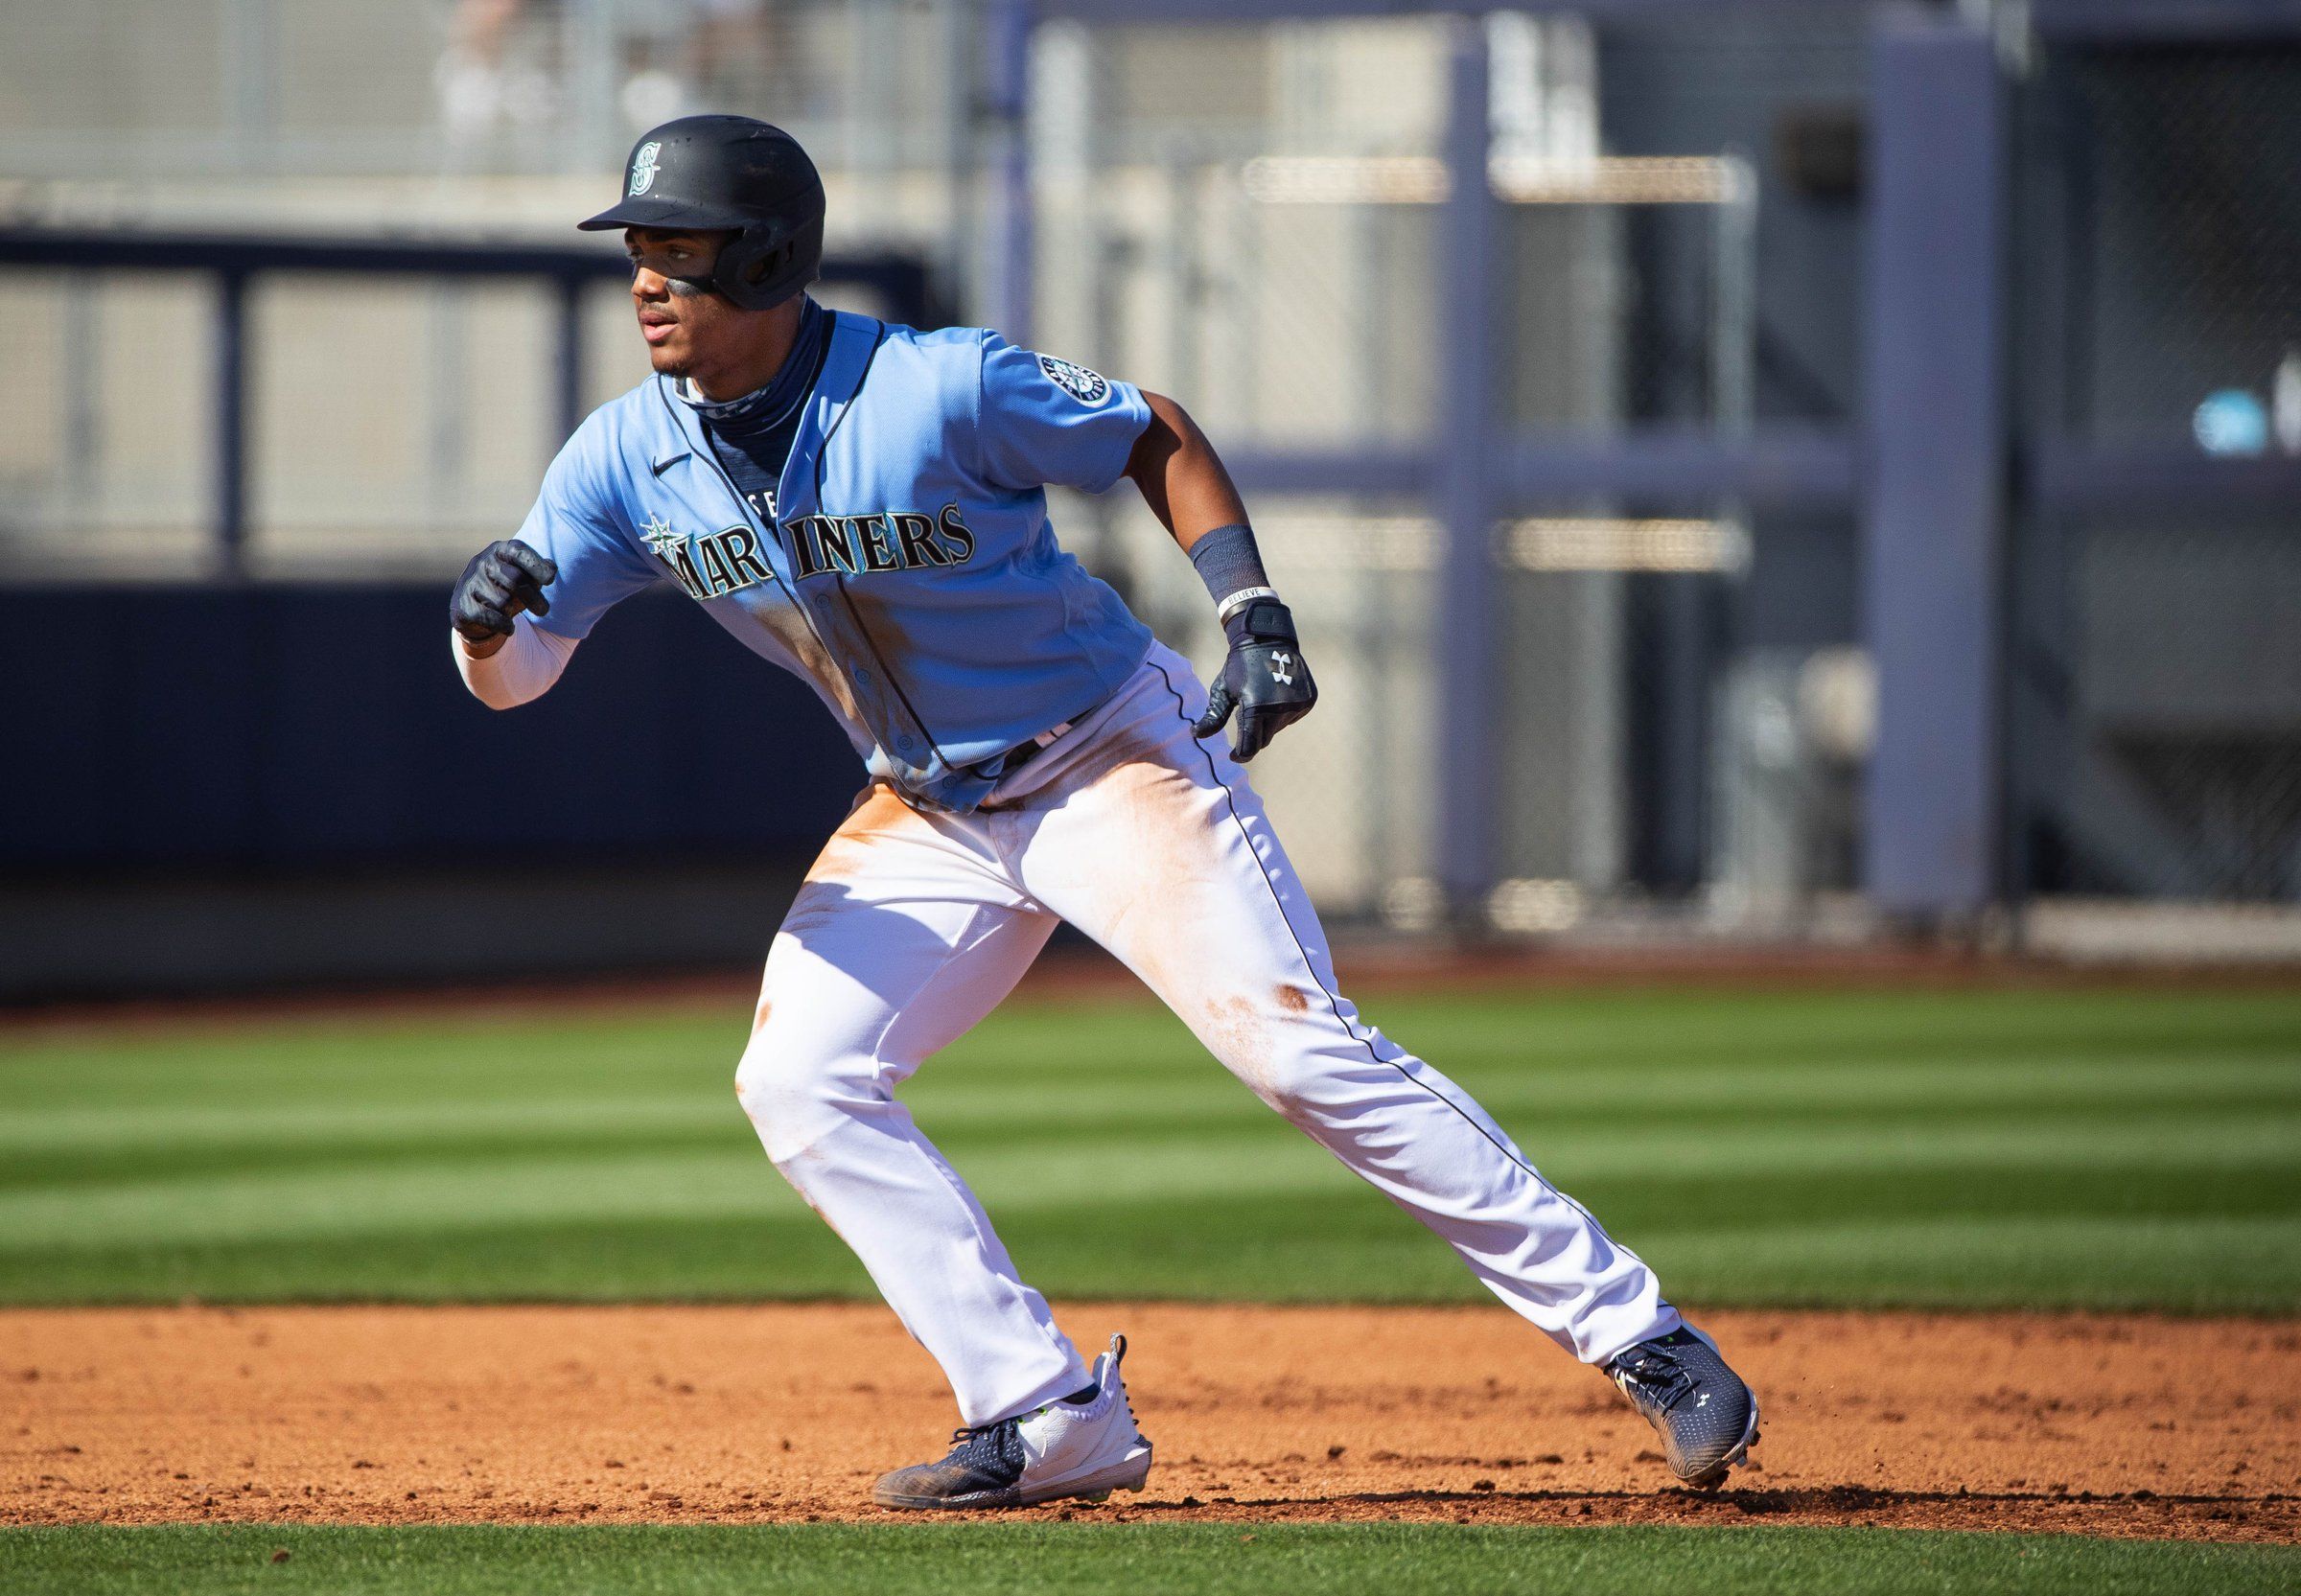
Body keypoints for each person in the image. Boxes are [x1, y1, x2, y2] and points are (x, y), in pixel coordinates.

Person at [449, 115, 1758, 1512]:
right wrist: (481, 631)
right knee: (796, 1079)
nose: (647, 280)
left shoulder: (939, 385)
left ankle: (1645, 1337)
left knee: (1299, 1055)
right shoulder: (618, 460)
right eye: (639, 252)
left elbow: (1157, 433)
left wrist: (1251, 612)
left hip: (1107, 757)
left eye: (680, 251)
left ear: (766, 256)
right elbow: (519, 676)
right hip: (926, 809)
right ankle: (1045, 1412)